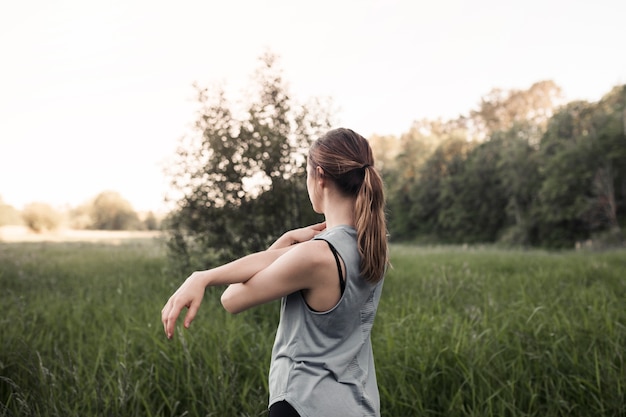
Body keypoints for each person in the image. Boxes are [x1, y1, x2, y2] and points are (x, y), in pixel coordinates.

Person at [161, 127, 389, 417]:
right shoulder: (369, 245)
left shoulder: (316, 255)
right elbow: (289, 259)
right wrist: (204, 276)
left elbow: (232, 299)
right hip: (359, 404)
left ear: (319, 176)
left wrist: (203, 277)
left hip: (305, 404)